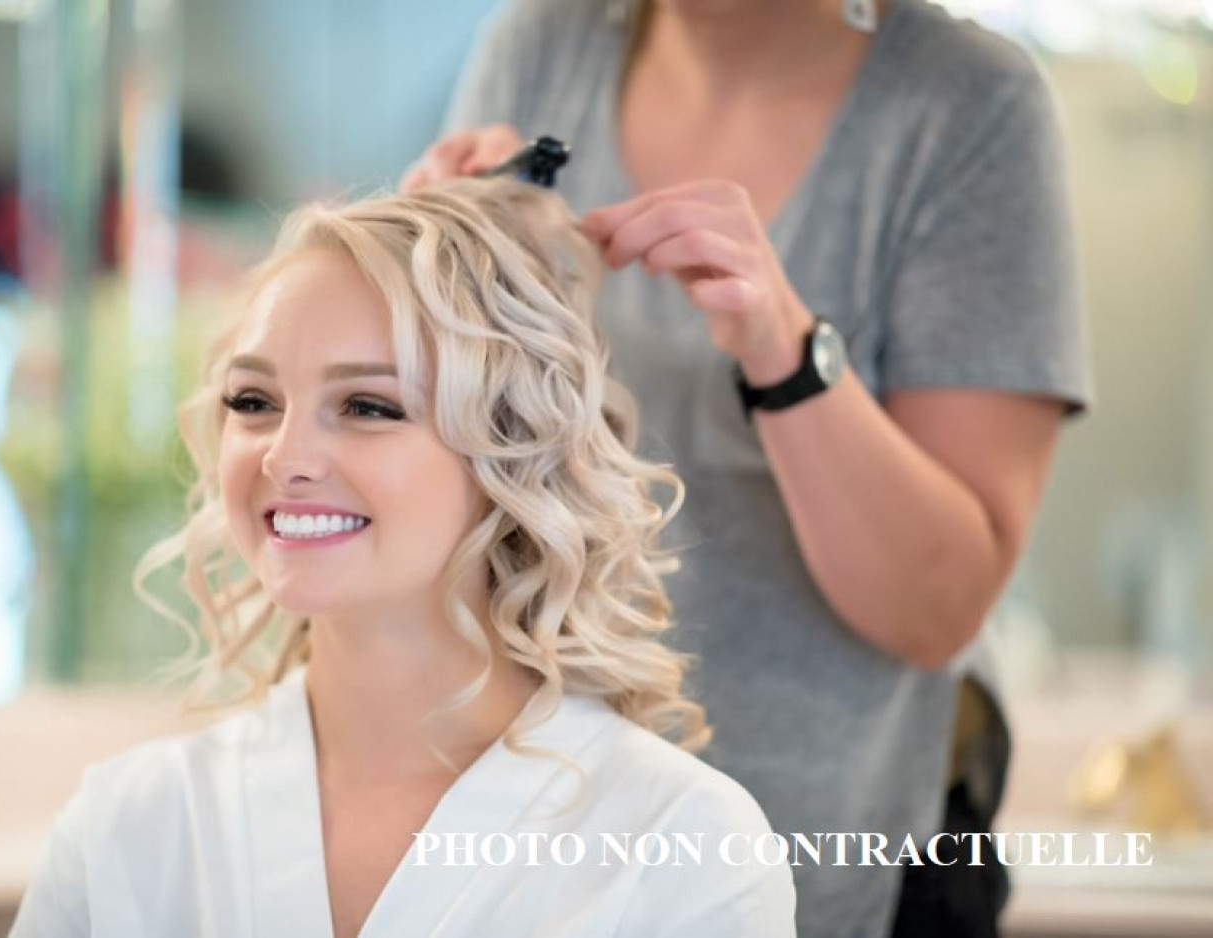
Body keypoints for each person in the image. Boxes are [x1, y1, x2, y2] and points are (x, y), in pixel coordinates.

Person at [403, 1, 1094, 936]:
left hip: (850, 848)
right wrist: (423, 277)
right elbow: (454, 471)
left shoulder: (968, 105)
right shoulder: (539, 46)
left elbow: (937, 608)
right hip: (564, 846)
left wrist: (783, 345)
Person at [8, 177, 798, 938]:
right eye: (254, 402)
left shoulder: (683, 844)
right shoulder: (129, 825)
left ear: (512, 452)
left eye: (368, 406)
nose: (286, 457)